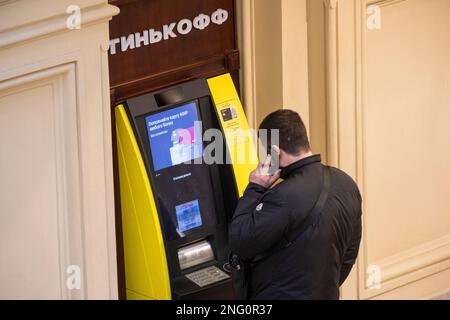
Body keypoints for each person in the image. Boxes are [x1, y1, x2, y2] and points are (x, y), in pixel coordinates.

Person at [229, 109, 362, 300]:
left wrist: (255, 188)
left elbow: (240, 241)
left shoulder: (281, 196)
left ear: (275, 152)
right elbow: (349, 254)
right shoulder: (346, 183)